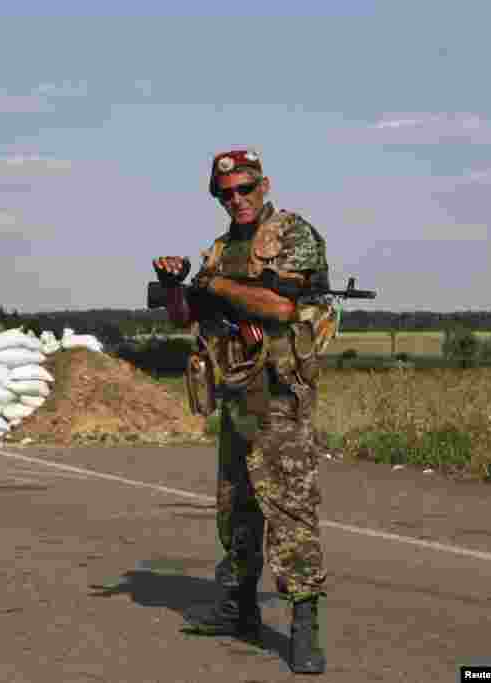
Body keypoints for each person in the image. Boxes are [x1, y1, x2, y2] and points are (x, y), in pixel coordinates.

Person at [154, 149, 332, 674]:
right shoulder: (218, 251)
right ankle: (239, 607)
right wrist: (175, 287)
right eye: (226, 193)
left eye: (245, 189)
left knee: (290, 509)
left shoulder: (294, 234)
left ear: (264, 185)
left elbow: (281, 307)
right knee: (235, 508)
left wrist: (212, 285)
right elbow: (183, 316)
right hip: (236, 392)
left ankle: (304, 623)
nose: (237, 199)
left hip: (280, 395)